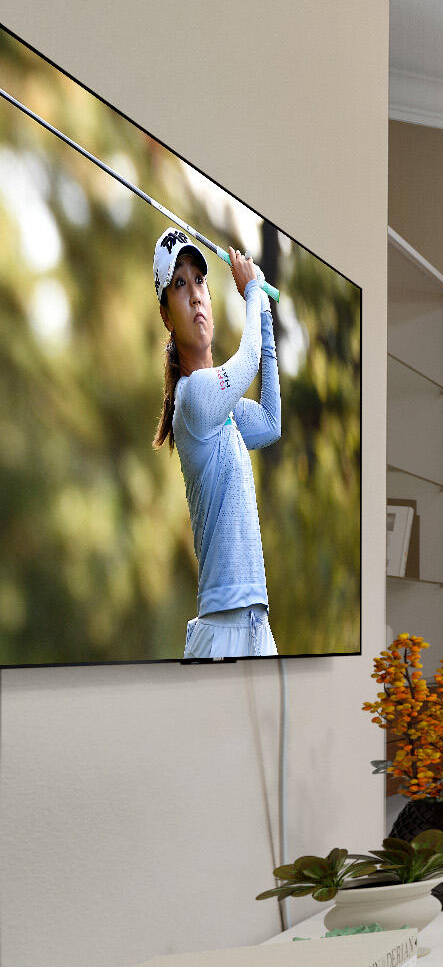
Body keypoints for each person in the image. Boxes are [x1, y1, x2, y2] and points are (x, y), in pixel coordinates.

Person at [148, 227, 281, 658]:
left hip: (256, 621)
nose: (195, 294)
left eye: (199, 280)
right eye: (179, 284)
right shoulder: (194, 397)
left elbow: (270, 422)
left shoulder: (224, 408)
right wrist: (253, 292)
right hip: (222, 628)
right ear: (167, 316)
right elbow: (248, 361)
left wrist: (262, 313)